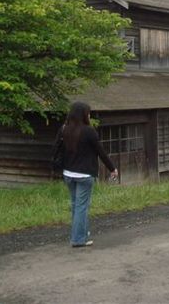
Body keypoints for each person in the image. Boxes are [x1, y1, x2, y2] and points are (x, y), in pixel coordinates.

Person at [53, 101, 118, 247]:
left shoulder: (64, 129)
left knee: (77, 205)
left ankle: (82, 232)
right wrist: (112, 168)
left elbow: (56, 148)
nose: (89, 115)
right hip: (84, 175)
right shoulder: (89, 131)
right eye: (88, 113)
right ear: (83, 115)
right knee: (82, 206)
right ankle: (78, 239)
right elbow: (101, 152)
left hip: (68, 174)